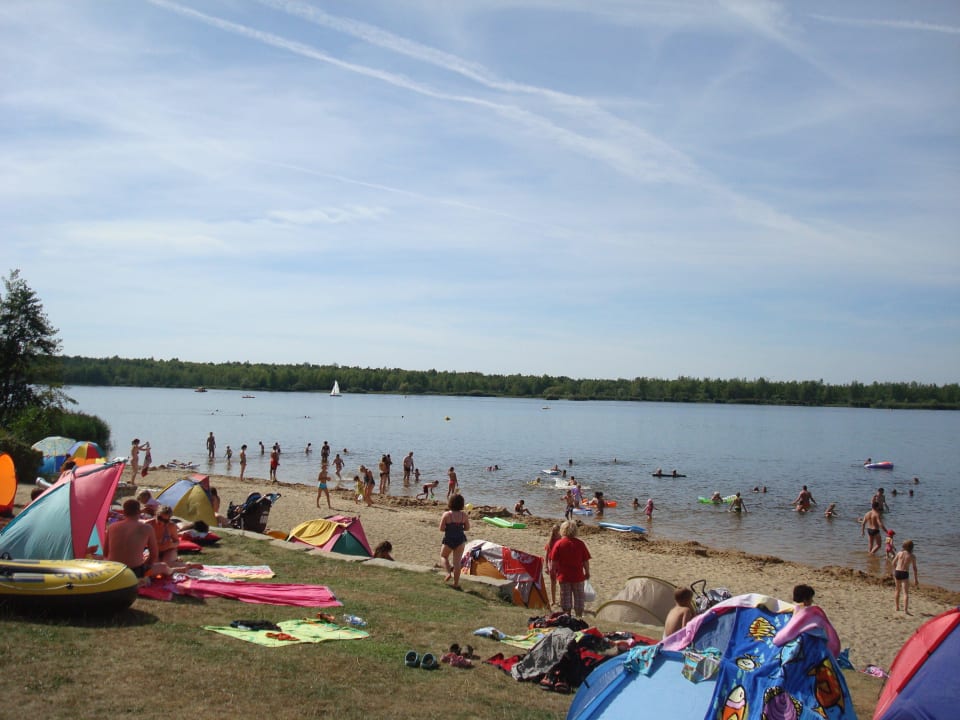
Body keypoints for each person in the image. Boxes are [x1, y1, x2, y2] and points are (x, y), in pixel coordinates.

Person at [104, 498, 158, 579]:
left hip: (114, 570)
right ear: (139, 512)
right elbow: (154, 555)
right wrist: (145, 566)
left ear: (124, 512)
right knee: (163, 567)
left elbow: (105, 553)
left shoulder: (112, 527)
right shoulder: (147, 528)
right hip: (134, 572)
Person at [548, 521, 591, 618]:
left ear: (562, 531)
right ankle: (579, 617)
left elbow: (553, 562)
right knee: (579, 599)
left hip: (564, 576)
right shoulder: (580, 544)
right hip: (578, 576)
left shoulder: (559, 544)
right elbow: (585, 561)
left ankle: (567, 617)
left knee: (566, 600)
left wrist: (553, 573)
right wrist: (587, 572)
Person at [439, 494, 470, 590]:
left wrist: (449, 528)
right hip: (460, 540)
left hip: (449, 539)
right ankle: (456, 584)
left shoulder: (447, 514)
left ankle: (448, 572)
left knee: (443, 556)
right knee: (457, 563)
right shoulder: (463, 515)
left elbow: (441, 528)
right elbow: (467, 528)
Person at [892, 540, 919, 614]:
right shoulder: (912, 556)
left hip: (897, 572)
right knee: (905, 593)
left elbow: (893, 563)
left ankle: (897, 607)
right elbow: (914, 568)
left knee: (897, 590)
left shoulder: (899, 553)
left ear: (903, 546)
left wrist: (896, 569)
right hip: (905, 573)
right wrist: (916, 579)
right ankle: (905, 610)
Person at [544, 524, 562, 607]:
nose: (557, 533)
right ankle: (553, 600)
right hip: (552, 563)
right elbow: (547, 555)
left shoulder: (562, 540)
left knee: (561, 582)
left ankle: (560, 600)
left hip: (560, 563)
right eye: (555, 531)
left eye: (558, 531)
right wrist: (546, 566)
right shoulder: (550, 541)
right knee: (553, 582)